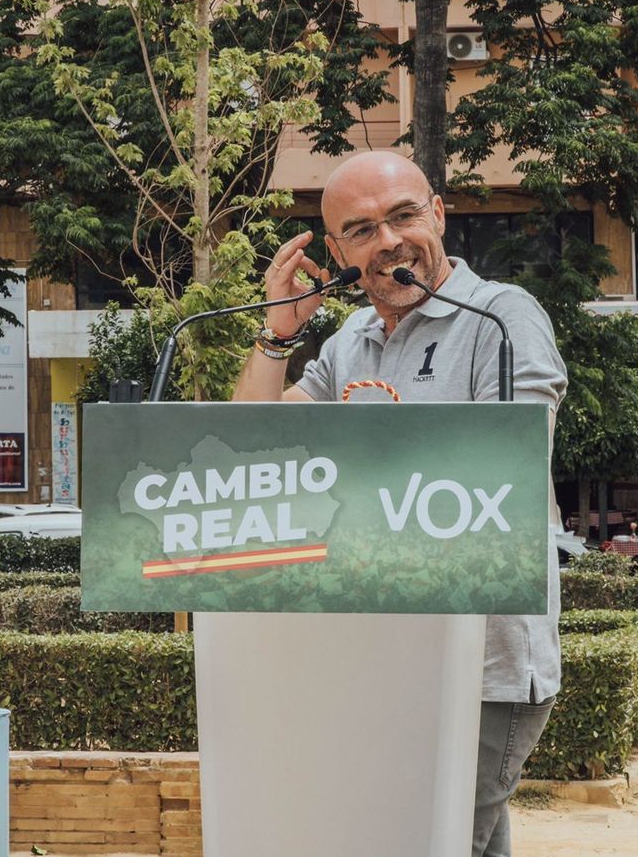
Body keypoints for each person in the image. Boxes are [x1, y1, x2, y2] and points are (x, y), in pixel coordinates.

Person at [233, 151, 568, 857]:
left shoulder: (501, 318)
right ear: (338, 253)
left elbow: (507, 468)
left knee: (422, 841)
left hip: (484, 664)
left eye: (403, 216)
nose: (388, 241)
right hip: (378, 658)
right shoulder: (351, 338)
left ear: (438, 215)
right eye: (361, 229)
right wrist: (278, 334)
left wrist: (374, 446)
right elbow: (252, 448)